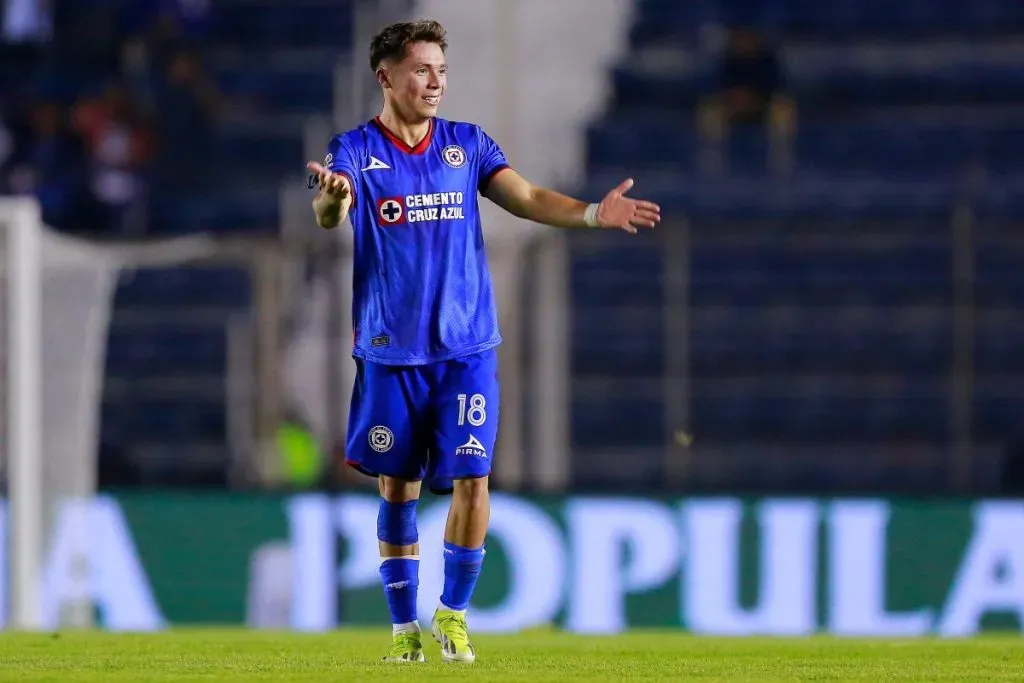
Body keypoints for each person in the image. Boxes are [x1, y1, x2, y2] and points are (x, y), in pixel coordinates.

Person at [305, 20, 660, 664]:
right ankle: (404, 633)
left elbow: (525, 197)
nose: (435, 82)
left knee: (474, 475)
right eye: (421, 69)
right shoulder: (353, 149)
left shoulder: (467, 144)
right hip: (391, 351)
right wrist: (332, 199)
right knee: (398, 488)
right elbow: (331, 212)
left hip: (466, 346)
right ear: (385, 76)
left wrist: (590, 213)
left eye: (441, 70)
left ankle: (453, 616)